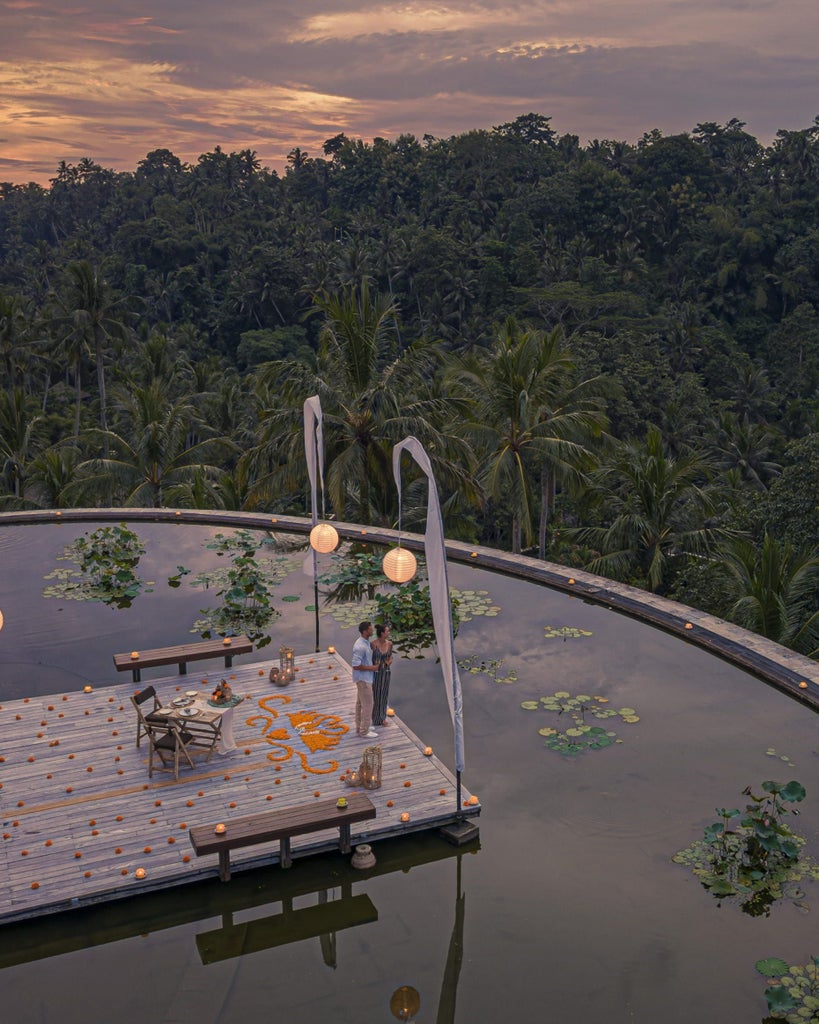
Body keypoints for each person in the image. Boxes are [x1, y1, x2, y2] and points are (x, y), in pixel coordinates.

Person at [352, 620, 378, 738]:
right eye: (370, 628)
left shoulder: (365, 642)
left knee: (360, 704)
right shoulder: (360, 646)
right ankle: (364, 731)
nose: (372, 630)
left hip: (365, 678)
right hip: (363, 679)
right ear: (365, 631)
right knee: (368, 704)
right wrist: (372, 668)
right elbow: (356, 665)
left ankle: (360, 727)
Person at [371, 623, 394, 727]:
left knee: (384, 694)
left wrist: (389, 662)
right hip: (376, 673)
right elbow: (368, 657)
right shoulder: (373, 644)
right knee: (376, 695)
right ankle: (375, 718)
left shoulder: (390, 644)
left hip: (386, 672)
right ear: (382, 633)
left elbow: (391, 656)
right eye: (387, 631)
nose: (389, 633)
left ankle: (382, 718)